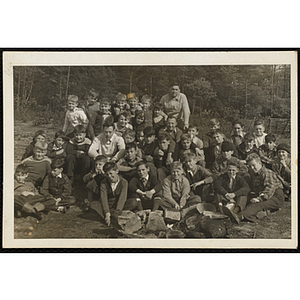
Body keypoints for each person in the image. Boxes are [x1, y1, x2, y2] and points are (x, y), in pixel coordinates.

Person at [232, 153, 284, 224]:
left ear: (259, 163)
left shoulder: (267, 172)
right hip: (262, 194)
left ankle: (241, 216)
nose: (252, 168)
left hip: (275, 196)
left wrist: (259, 199)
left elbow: (269, 188)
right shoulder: (254, 173)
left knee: (257, 205)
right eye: (250, 166)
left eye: (254, 165)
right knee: (245, 195)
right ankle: (235, 210)